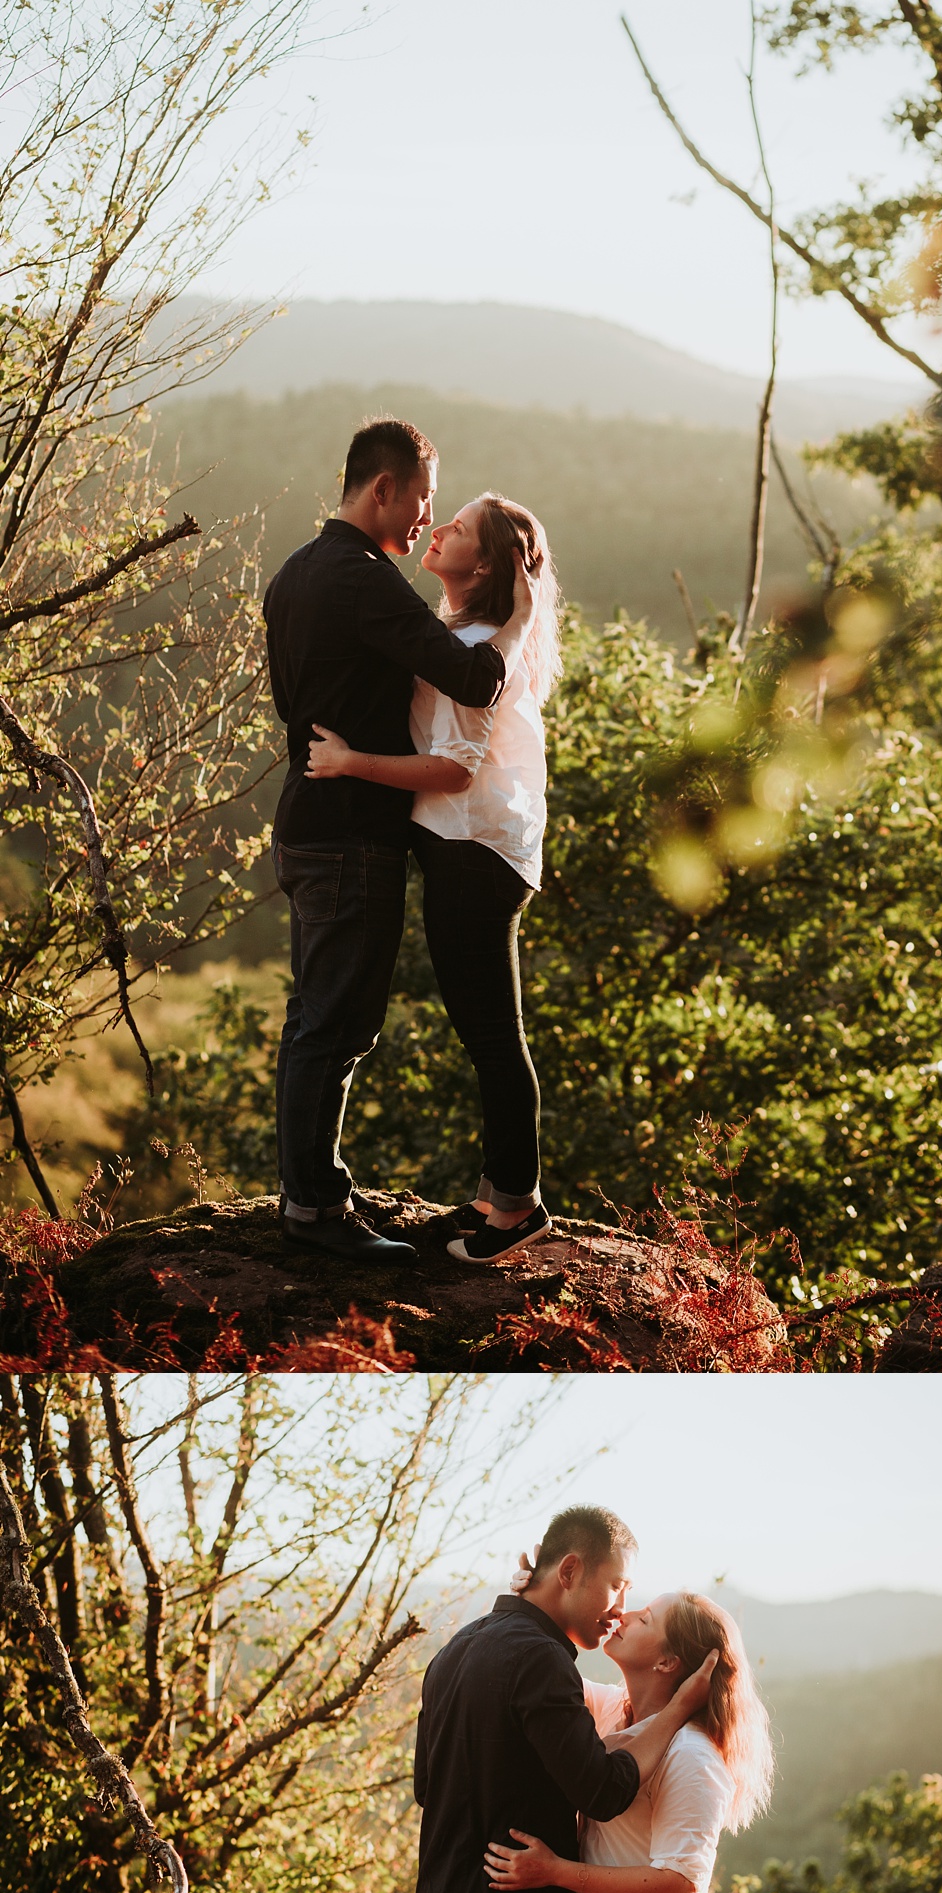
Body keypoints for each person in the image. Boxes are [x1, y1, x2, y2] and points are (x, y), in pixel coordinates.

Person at [265, 412, 510, 1260]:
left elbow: (289, 703)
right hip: (349, 836)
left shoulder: (294, 574)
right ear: (384, 488)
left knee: (315, 1017)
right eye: (423, 500)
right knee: (336, 1025)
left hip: (304, 822)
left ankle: (309, 1192)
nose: (423, 519)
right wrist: (496, 626)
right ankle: (315, 1215)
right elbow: (472, 675)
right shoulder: (365, 578)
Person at [307, 487, 561, 1261]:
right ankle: (496, 1193)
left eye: (458, 528)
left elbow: (452, 771)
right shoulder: (469, 634)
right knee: (485, 1027)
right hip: (473, 848)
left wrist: (351, 763)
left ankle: (516, 1208)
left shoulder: (479, 641)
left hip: (473, 850)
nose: (439, 527)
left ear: (482, 563)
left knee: (491, 1034)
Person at [414, 1504, 719, 1893]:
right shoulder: (540, 1659)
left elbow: (425, 1786)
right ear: (571, 1572)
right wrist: (676, 1711)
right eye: (617, 1587)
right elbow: (602, 1790)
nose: (620, 1610)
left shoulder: (459, 1647)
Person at [485, 1583, 773, 1893]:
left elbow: (676, 1885)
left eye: (645, 1618)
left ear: (666, 1662)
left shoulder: (691, 1757)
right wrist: (534, 1594)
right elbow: (529, 1668)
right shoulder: (611, 1711)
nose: (625, 1613)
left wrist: (556, 1871)